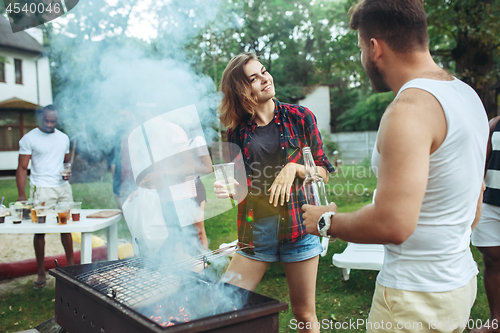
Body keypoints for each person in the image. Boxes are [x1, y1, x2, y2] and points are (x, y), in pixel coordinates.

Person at [301, 1, 489, 332]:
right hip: (459, 284)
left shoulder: (409, 109)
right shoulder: (468, 96)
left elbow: (393, 224)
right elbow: (475, 202)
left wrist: (326, 221)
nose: (362, 59)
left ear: (375, 48)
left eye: (360, 48)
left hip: (413, 297)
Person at [214, 53, 334, 333]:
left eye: (264, 71)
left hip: (299, 230)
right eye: (253, 78)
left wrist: (295, 169)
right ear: (242, 90)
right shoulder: (237, 132)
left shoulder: (300, 117)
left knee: (305, 315)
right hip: (257, 234)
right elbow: (240, 186)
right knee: (224, 306)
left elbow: (323, 170)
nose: (265, 78)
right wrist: (231, 189)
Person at [16, 105, 75, 289]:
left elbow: (66, 162)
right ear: (41, 118)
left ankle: (71, 268)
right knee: (40, 231)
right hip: (41, 189)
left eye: (53, 121)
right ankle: (41, 272)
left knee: (67, 228)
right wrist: (21, 194)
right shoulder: (29, 138)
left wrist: (68, 173)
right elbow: (22, 167)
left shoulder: (63, 138)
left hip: (63, 189)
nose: (49, 124)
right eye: (46, 120)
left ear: (57, 120)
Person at [471, 115, 500, 333]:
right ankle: (496, 321)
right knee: (492, 260)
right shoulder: (495, 123)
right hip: (491, 201)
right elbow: (482, 163)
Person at [189, 134, 212, 250]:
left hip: (195, 188)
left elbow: (209, 167)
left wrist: (186, 170)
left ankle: (204, 263)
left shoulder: (197, 140)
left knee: (198, 230)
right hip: (179, 191)